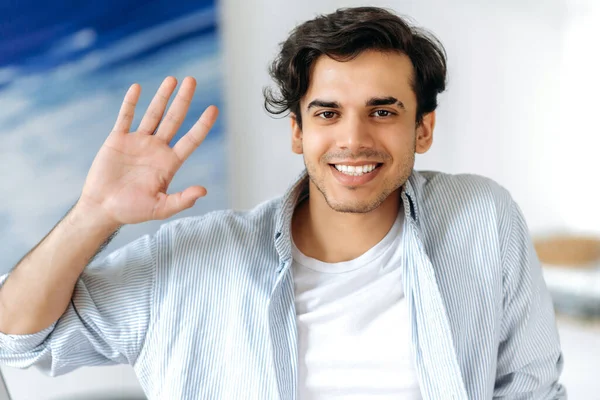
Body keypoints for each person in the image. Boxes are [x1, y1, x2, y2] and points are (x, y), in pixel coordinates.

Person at [0, 6, 565, 400]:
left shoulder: (481, 217)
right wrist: (93, 213)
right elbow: (17, 338)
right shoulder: (189, 259)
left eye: (384, 111)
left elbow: (532, 390)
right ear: (297, 131)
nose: (355, 138)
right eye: (327, 113)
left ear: (423, 129)